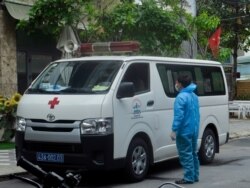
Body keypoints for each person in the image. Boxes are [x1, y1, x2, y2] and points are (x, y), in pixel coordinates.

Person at [170, 73, 200, 184]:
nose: (175, 84)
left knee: (186, 155)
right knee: (193, 154)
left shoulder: (181, 97)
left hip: (184, 131)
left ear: (181, 84)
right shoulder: (194, 96)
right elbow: (197, 114)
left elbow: (179, 116)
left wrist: (174, 130)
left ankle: (188, 177)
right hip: (194, 130)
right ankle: (195, 175)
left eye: (177, 82)